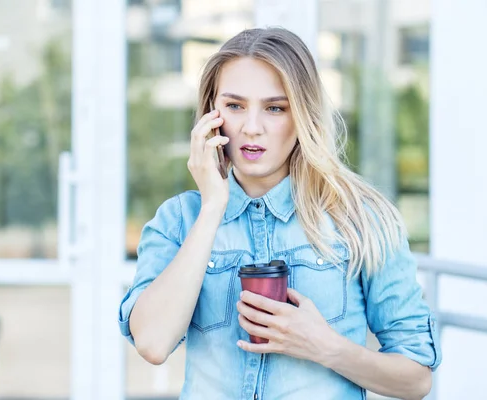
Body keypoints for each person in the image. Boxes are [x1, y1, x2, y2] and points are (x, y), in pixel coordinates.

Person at [118, 27, 442, 400]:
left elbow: (416, 379)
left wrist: (325, 346)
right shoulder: (179, 220)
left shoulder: (361, 218)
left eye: (275, 108)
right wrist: (212, 208)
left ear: (303, 115)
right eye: (235, 106)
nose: (251, 128)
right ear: (212, 113)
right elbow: (153, 343)